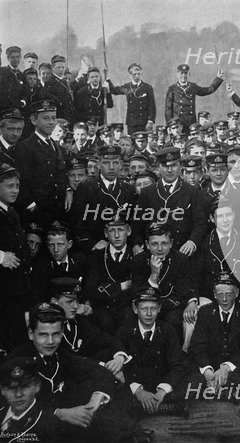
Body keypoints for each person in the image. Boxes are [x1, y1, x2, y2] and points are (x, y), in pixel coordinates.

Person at [10, 303, 135, 441]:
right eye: (43, 335)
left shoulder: (59, 354)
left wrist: (95, 399)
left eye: (56, 334)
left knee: (108, 399)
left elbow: (94, 369)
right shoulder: (18, 361)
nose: (50, 341)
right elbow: (15, 407)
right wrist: (60, 413)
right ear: (30, 334)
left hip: (60, 423)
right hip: (31, 430)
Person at [116, 287, 189, 417]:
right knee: (116, 385)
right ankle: (163, 407)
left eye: (153, 309)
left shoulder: (168, 330)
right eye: (144, 309)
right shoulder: (125, 332)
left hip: (160, 383)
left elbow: (177, 364)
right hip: (137, 384)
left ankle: (152, 404)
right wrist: (138, 391)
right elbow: (123, 368)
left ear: (159, 309)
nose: (149, 314)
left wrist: (162, 390)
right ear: (135, 309)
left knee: (192, 379)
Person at [188, 273, 240, 391]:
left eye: (229, 294)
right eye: (220, 294)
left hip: (234, 367)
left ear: (236, 293)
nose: (224, 299)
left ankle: (222, 388)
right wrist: (208, 370)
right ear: (214, 295)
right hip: (210, 364)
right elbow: (197, 346)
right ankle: (218, 386)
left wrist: (226, 368)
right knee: (191, 377)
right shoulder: (205, 312)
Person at [133, 146, 207, 257]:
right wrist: (136, 244)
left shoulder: (192, 192)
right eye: (164, 166)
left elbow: (200, 224)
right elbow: (137, 223)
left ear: (180, 166)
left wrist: (192, 242)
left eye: (174, 165)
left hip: (183, 252)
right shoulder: (148, 192)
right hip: (155, 252)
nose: (169, 170)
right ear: (158, 167)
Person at [49, 277, 129, 374]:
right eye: (69, 302)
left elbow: (104, 338)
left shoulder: (77, 321)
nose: (75, 306)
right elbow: (68, 359)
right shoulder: (48, 327)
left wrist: (119, 357)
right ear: (54, 302)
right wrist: (105, 367)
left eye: (77, 301)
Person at [69, 144, 137, 254]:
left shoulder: (128, 189)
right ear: (99, 165)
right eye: (106, 163)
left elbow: (133, 221)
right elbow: (76, 221)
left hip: (122, 249)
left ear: (120, 164)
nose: (111, 167)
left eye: (115, 163)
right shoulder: (86, 188)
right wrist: (92, 243)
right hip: (96, 249)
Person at [132, 224, 197, 337]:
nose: (160, 249)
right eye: (154, 244)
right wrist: (154, 274)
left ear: (171, 243)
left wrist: (160, 307)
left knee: (174, 318)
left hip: (171, 307)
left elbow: (182, 293)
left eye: (164, 243)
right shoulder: (139, 260)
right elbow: (138, 293)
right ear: (147, 245)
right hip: (147, 308)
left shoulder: (180, 259)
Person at [14, 100, 67, 226]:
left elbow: (60, 173)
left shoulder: (54, 144)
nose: (51, 122)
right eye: (45, 118)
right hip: (37, 215)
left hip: (57, 211)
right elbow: (21, 183)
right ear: (34, 120)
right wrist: (32, 208)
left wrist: (68, 190)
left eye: (54, 118)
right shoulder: (26, 146)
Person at [84, 217, 135, 334]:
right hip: (103, 308)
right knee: (103, 322)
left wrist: (110, 288)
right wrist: (121, 286)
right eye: (112, 230)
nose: (117, 235)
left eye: (121, 230)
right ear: (106, 233)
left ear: (129, 231)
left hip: (127, 308)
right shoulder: (96, 256)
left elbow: (136, 287)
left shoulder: (136, 255)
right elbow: (92, 289)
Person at [0, 163, 31, 350]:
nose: (15, 190)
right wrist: (1, 256)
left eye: (17, 186)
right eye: (9, 186)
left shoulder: (11, 211)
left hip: (16, 287)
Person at [0, 357, 61, 442]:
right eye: (12, 388)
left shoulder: (50, 424)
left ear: (37, 386)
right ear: (2, 390)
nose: (18, 394)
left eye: (25, 386)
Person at [164, 64, 224, 130]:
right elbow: (168, 110)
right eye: (181, 73)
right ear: (177, 74)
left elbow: (208, 90)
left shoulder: (193, 86)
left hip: (191, 122)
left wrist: (218, 78)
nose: (183, 75)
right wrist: (169, 125)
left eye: (185, 73)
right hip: (178, 124)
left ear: (188, 74)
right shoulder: (172, 88)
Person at [108, 63, 156, 134]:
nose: (137, 76)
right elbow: (114, 90)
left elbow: (152, 106)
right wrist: (108, 81)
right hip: (131, 123)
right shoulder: (127, 87)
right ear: (130, 76)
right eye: (134, 74)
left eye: (139, 74)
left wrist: (150, 121)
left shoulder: (147, 87)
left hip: (144, 122)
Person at [43, 55, 75, 127]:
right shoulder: (50, 83)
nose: (61, 70)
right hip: (59, 120)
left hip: (69, 118)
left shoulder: (64, 81)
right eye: (58, 67)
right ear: (52, 68)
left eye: (63, 67)